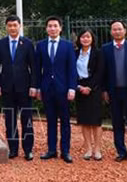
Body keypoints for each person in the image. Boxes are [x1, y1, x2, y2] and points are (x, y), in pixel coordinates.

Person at [0, 14, 37, 160]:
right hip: (7, 89)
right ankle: (13, 149)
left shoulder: (28, 44)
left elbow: (34, 67)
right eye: (10, 25)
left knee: (27, 120)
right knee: (10, 121)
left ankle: (28, 150)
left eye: (15, 25)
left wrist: (34, 86)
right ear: (6, 27)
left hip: (25, 89)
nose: (12, 28)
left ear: (20, 26)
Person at [34, 16, 77, 163]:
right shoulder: (40, 45)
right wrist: (38, 88)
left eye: (55, 26)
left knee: (65, 121)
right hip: (47, 89)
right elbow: (37, 69)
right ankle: (51, 150)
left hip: (63, 89)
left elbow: (72, 69)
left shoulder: (68, 46)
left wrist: (72, 88)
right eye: (50, 26)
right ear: (46, 29)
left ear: (60, 28)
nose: (52, 28)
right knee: (50, 120)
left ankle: (65, 151)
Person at [101, 20, 127, 163]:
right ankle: (121, 151)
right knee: (117, 122)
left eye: (119, 29)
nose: (117, 31)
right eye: (114, 29)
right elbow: (104, 72)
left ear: (125, 31)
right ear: (111, 32)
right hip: (114, 91)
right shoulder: (105, 49)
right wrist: (104, 90)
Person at [74, 28, 105, 161]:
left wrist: (90, 87)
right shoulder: (75, 53)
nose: (85, 39)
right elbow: (71, 71)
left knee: (96, 121)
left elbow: (100, 72)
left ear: (92, 39)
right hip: (79, 88)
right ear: (79, 39)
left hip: (94, 88)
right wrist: (79, 86)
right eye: (83, 37)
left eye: (88, 37)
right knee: (84, 120)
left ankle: (97, 149)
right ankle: (88, 148)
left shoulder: (98, 53)